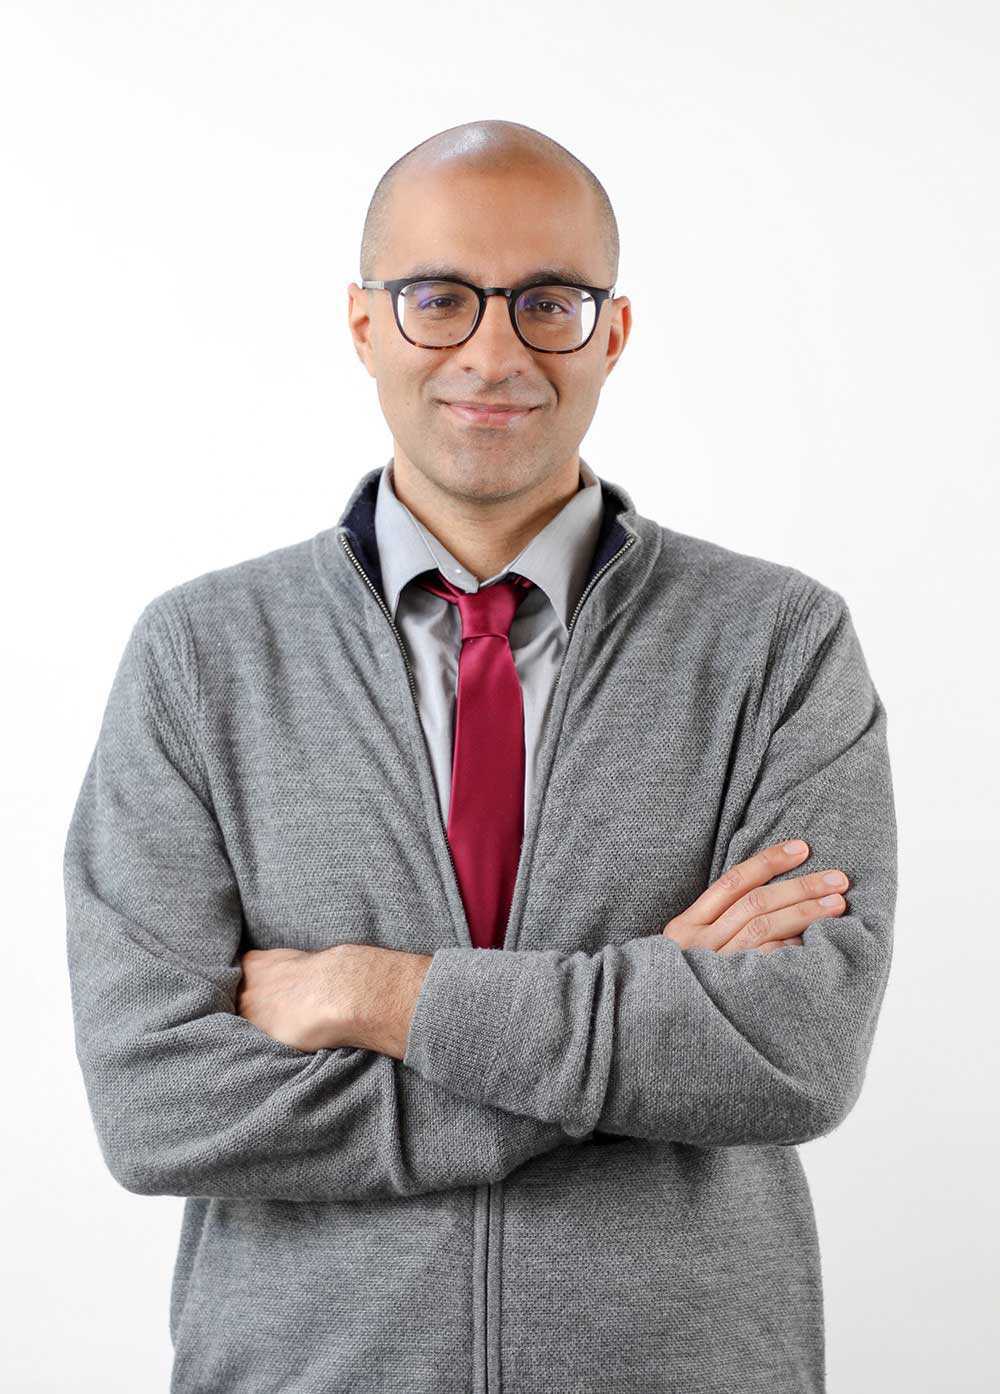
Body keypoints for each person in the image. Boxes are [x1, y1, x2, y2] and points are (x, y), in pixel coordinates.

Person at [64, 119, 897, 1394]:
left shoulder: (778, 642)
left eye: (548, 302)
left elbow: (794, 1050)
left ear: (611, 332)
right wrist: (637, 1032)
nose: (494, 352)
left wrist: (377, 996)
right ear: (363, 325)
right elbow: (158, 1101)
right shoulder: (201, 655)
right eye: (438, 298)